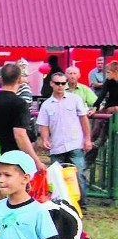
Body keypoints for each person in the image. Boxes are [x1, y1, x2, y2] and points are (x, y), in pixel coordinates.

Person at [37, 72, 92, 209]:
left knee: (79, 175)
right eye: (57, 83)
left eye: (63, 83)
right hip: (57, 145)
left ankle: (82, 204)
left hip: (75, 143)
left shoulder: (75, 99)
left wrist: (87, 139)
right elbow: (43, 125)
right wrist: (45, 139)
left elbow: (84, 119)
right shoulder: (46, 105)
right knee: (56, 177)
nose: (60, 86)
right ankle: (59, 203)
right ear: (51, 84)